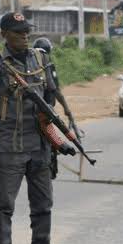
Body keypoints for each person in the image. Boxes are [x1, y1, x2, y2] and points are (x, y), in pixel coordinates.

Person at [0, 12, 68, 244]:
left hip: (40, 146)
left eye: (27, 31)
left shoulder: (41, 60)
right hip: (10, 147)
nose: (25, 36)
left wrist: (54, 144)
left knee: (43, 207)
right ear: (4, 34)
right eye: (18, 32)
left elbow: (50, 108)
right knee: (4, 207)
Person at [32, 37, 83, 179]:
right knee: (50, 138)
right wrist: (67, 109)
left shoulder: (29, 63)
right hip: (46, 111)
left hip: (31, 110)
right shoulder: (48, 64)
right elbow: (55, 90)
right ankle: (49, 164)